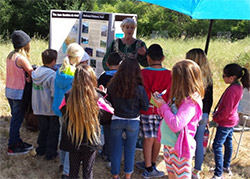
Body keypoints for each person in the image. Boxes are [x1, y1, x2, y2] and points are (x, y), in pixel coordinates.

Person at [152, 60, 204, 179]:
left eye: (174, 77)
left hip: (180, 149)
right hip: (169, 145)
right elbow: (167, 114)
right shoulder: (178, 96)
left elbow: (176, 124)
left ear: (182, 80)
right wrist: (161, 104)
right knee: (171, 175)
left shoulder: (191, 102)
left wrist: (163, 106)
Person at [106, 59, 149, 179]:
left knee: (116, 150)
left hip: (116, 119)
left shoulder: (113, 85)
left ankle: (115, 176)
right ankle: (128, 176)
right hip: (133, 121)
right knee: (130, 150)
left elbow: (108, 103)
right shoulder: (139, 88)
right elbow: (145, 107)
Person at [52, 43, 89, 178]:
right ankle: (67, 171)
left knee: (63, 136)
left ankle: (62, 163)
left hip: (60, 108)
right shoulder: (75, 74)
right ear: (78, 57)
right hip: (71, 110)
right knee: (72, 140)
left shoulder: (60, 70)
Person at [135, 44, 171, 178]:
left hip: (147, 111)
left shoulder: (143, 73)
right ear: (163, 58)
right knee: (158, 138)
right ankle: (152, 163)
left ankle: (148, 167)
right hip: (163, 111)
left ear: (148, 58)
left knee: (148, 139)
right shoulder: (170, 74)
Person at [59, 64, 100, 179]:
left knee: (73, 171)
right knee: (88, 172)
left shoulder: (68, 95)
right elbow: (108, 112)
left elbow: (61, 110)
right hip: (90, 140)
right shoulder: (97, 96)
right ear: (92, 78)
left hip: (74, 139)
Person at [212, 63, 249, 179]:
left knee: (217, 145)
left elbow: (227, 109)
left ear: (231, 77)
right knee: (228, 143)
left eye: (224, 76)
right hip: (232, 120)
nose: (222, 78)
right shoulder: (238, 86)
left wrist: (216, 118)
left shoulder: (232, 89)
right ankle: (226, 166)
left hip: (226, 121)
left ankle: (218, 174)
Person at [186, 48, 213, 179]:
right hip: (203, 114)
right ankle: (196, 171)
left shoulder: (189, 76)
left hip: (190, 113)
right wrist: (207, 114)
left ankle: (185, 166)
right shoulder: (208, 77)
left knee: (186, 140)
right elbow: (210, 99)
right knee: (198, 143)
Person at [6, 30, 34, 155]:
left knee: (15, 118)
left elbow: (18, 73)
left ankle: (17, 141)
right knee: (16, 120)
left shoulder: (10, 56)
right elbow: (32, 72)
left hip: (9, 91)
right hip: (18, 93)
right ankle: (12, 146)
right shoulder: (21, 58)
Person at [31, 49, 59, 160]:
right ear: (54, 61)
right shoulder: (53, 75)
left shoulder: (36, 72)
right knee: (53, 131)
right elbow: (54, 93)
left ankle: (41, 149)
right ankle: (50, 153)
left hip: (38, 107)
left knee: (43, 129)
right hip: (50, 108)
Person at [98, 52, 122, 165]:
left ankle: (107, 153)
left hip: (106, 110)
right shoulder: (122, 76)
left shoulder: (103, 77)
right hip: (120, 109)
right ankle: (111, 154)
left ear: (107, 64)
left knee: (107, 132)